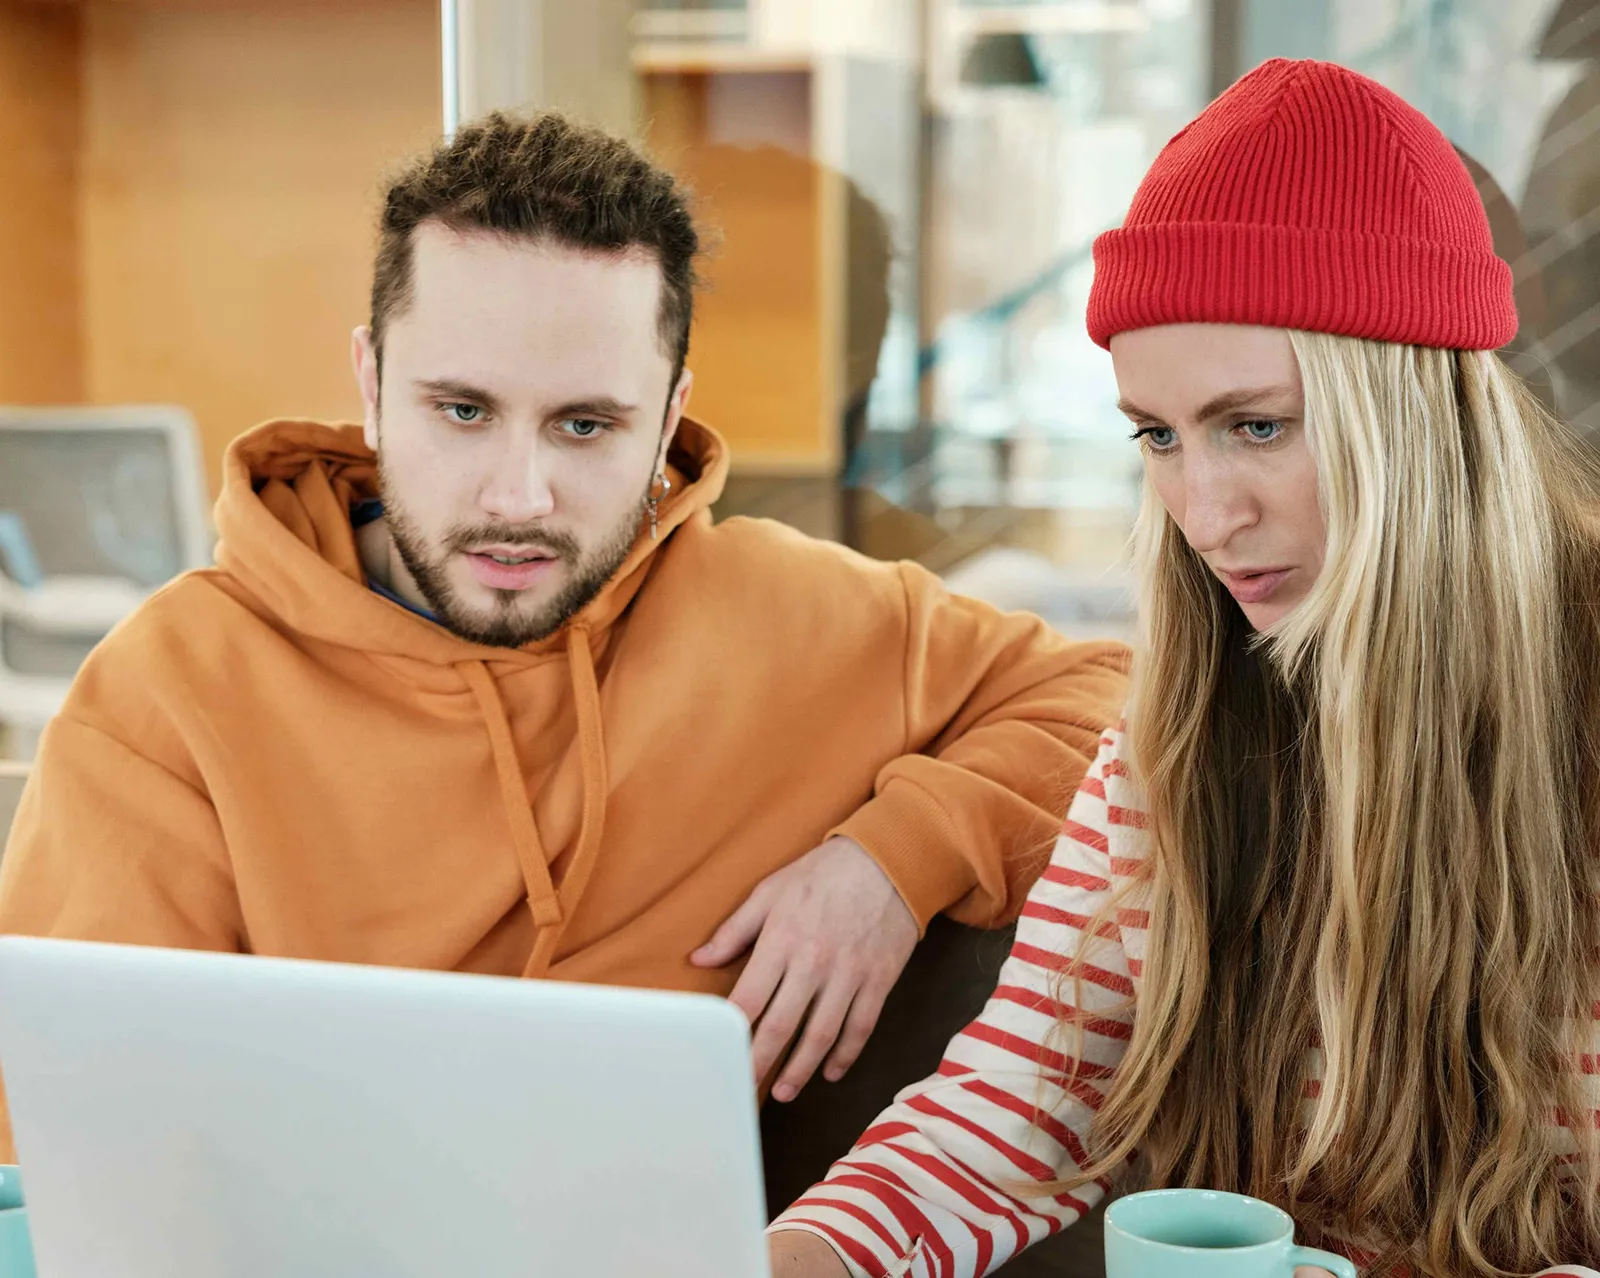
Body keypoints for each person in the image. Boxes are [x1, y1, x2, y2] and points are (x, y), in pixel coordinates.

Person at [0, 114, 1130, 1160]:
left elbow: (1109, 693)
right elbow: (75, 1140)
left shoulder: (790, 614)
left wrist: (894, 862)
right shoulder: (170, 692)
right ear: (371, 381)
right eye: (462, 410)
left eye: (586, 425)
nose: (519, 496)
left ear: (669, 416)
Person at [767, 59, 1600, 1278]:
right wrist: (789, 1260)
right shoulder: (1180, 735)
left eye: (1253, 424)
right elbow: (1016, 1114)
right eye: (1156, 435)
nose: (1202, 514)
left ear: (1408, 408)